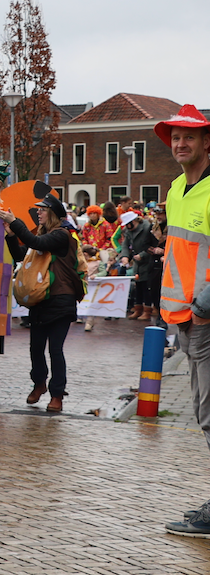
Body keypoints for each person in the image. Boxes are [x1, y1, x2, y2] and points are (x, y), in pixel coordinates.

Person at [151, 106, 210, 537]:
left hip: (205, 319)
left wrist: (206, 305)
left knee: (209, 414)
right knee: (203, 412)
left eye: (189, 137)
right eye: (175, 137)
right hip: (184, 320)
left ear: (207, 142)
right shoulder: (176, 188)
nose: (180, 144)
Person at [0, 194, 82, 413]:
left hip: (61, 299)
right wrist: (12, 235)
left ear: (53, 213)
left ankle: (57, 394)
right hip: (41, 300)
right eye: (38, 209)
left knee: (55, 349)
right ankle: (39, 384)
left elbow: (37, 243)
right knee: (35, 348)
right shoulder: (43, 235)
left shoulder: (62, 235)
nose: (38, 212)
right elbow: (21, 255)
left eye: (42, 209)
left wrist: (16, 222)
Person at [119, 211, 157, 321]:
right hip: (138, 262)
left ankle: (147, 310)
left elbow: (153, 244)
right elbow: (125, 244)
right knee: (138, 285)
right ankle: (138, 309)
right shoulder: (128, 231)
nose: (127, 227)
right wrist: (125, 256)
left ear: (134, 221)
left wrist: (143, 255)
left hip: (148, 260)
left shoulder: (147, 228)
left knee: (147, 287)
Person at [82, 245, 106, 332]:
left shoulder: (98, 262)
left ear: (85, 254)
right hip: (83, 285)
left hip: (94, 287)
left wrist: (96, 275)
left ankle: (89, 322)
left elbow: (104, 272)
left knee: (91, 303)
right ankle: (79, 317)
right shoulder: (82, 262)